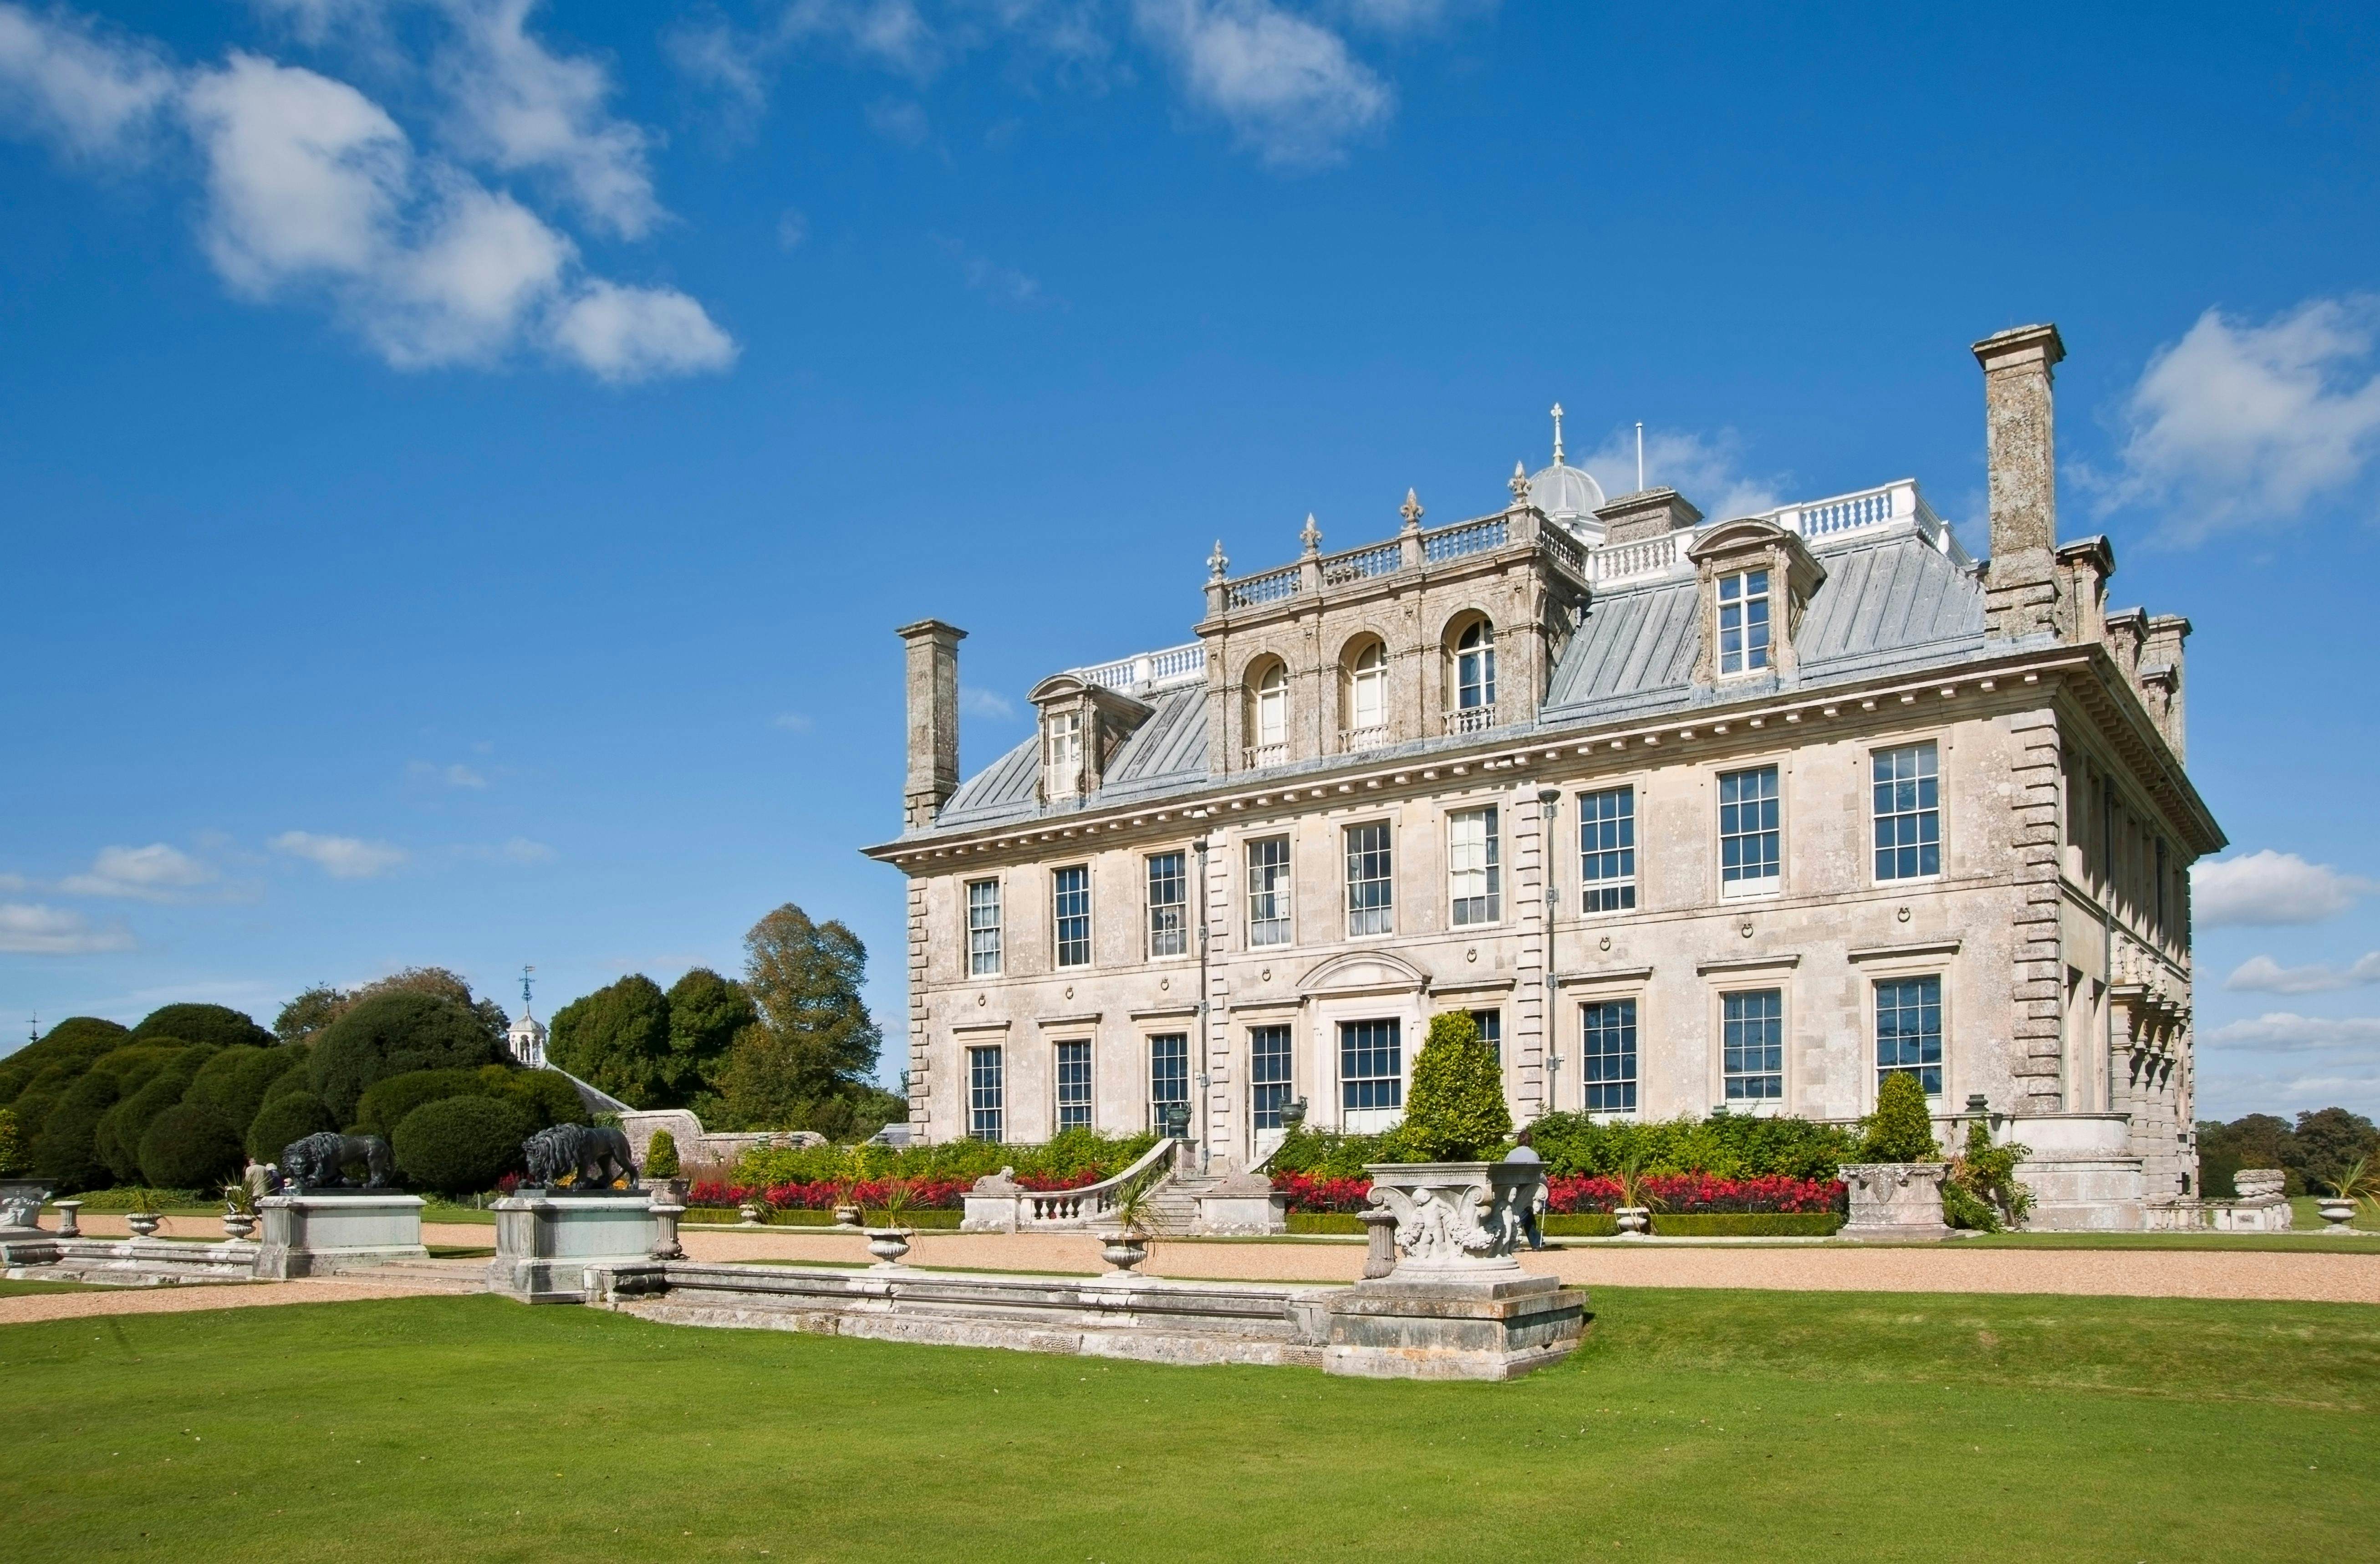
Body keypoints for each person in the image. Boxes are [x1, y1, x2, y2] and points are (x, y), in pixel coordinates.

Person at [1503, 1130, 1546, 1250]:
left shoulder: (1512, 1153)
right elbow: (1539, 1173)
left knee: (1526, 1214)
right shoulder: (1533, 1154)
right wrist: (1546, 1186)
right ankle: (1513, 1242)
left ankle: (1537, 1243)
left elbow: (1505, 1170)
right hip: (1529, 1188)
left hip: (1514, 1186)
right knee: (1522, 1214)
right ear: (1530, 1141)